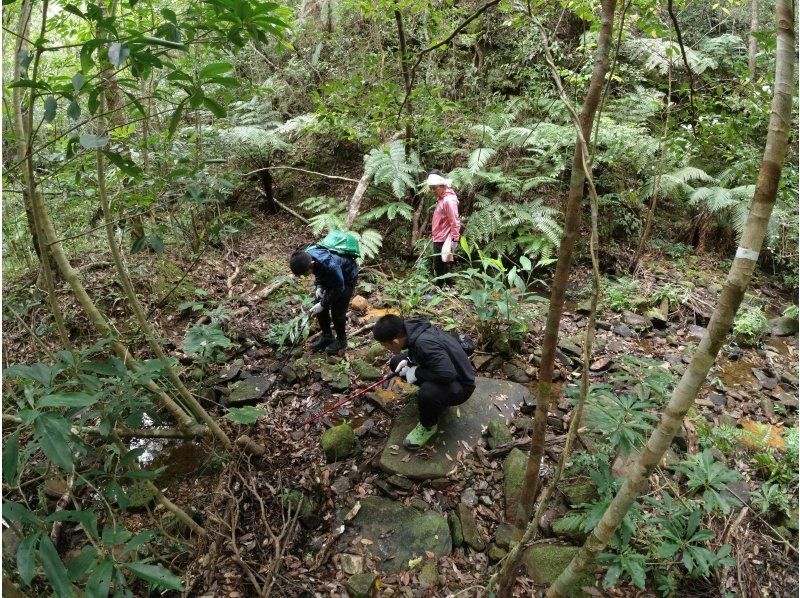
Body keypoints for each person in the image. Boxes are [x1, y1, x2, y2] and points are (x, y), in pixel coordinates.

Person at [373, 314, 475, 449]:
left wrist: (415, 372)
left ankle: (428, 427)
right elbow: (424, 354)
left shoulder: (423, 343)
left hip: (461, 384)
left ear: (395, 342)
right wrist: (410, 360)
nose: (386, 348)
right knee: (396, 362)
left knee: (427, 392)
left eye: (385, 345)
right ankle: (433, 402)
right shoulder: (413, 329)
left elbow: (447, 374)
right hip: (446, 370)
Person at [289, 236, 360, 354]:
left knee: (337, 311)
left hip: (347, 277)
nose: (306, 276)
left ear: (311, 264)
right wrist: (319, 286)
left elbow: (339, 287)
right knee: (319, 305)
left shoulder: (330, 265)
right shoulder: (308, 255)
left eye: (306, 274)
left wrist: (323, 303)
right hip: (332, 276)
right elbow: (318, 272)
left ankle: (342, 340)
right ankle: (327, 336)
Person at [427, 170, 462, 289]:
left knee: (439, 264)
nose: (432, 191)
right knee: (443, 263)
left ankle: (442, 288)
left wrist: (455, 240)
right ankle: (449, 287)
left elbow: (455, 221)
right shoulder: (442, 198)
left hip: (444, 238)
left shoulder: (448, 200)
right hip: (438, 236)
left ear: (442, 186)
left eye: (434, 188)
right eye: (430, 188)